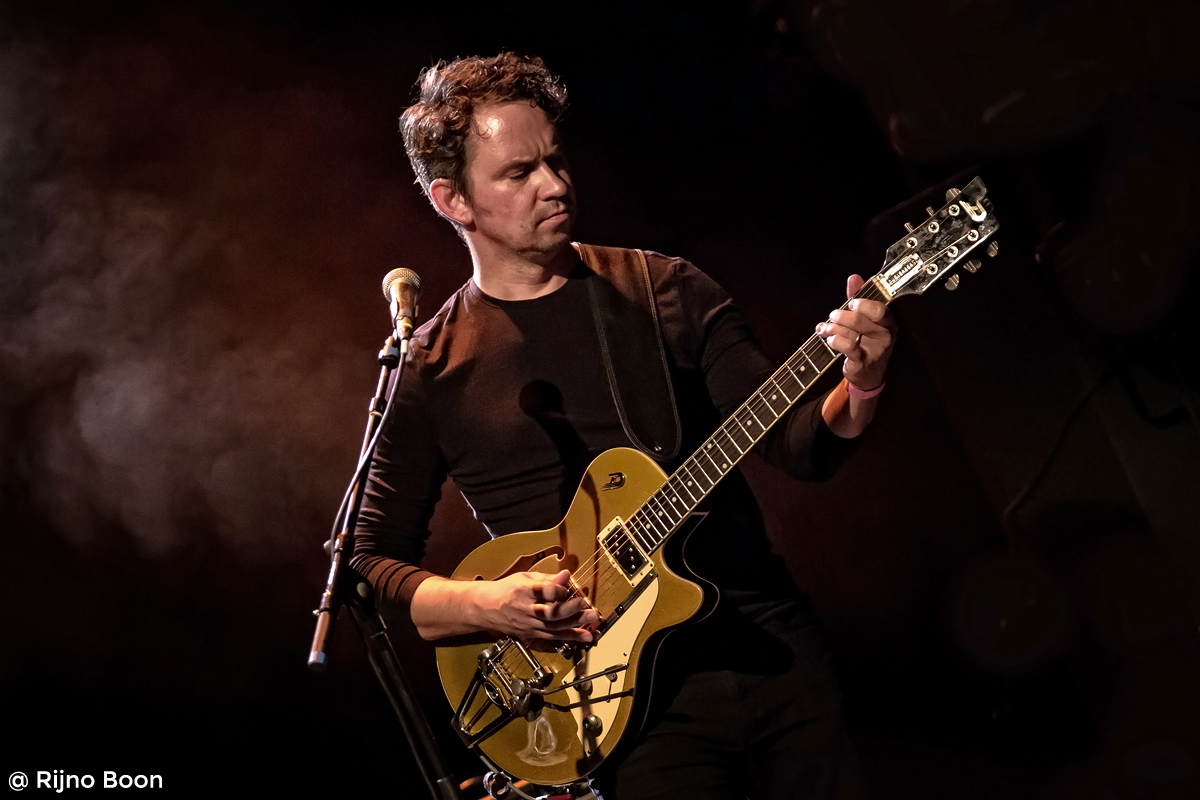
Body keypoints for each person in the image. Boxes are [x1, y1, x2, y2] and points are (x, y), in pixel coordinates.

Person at [352, 52, 895, 800]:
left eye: (556, 160)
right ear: (453, 200)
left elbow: (798, 445)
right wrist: (489, 604)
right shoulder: (429, 368)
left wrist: (863, 382)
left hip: (770, 647)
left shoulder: (665, 287)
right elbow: (370, 562)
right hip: (611, 703)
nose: (555, 184)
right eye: (519, 172)